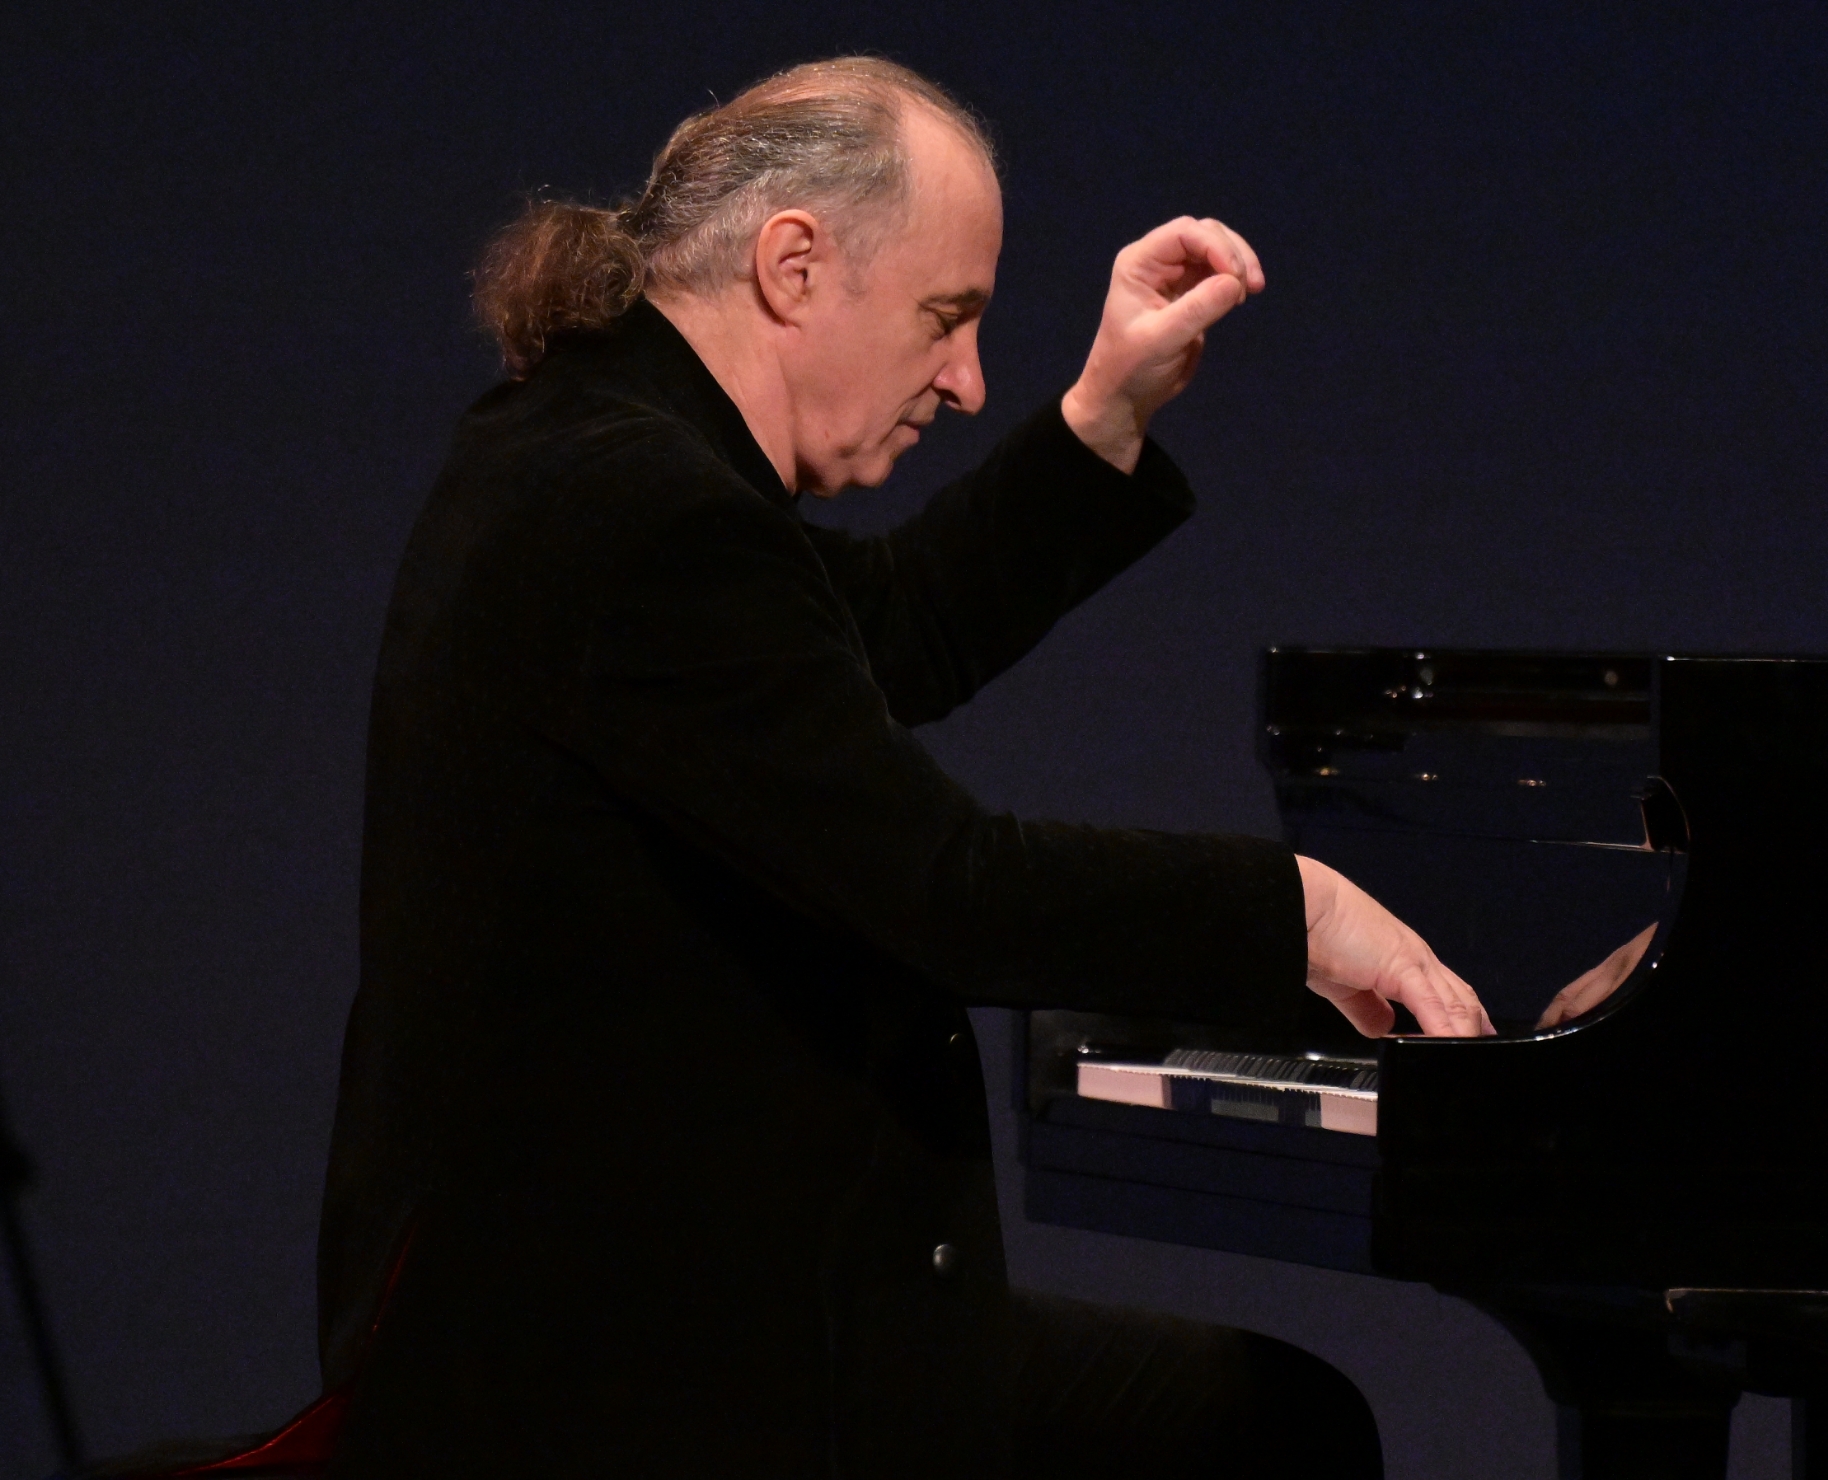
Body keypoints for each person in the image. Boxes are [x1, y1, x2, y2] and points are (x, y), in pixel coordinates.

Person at [318, 56, 1489, 1480]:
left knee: (1258, 1424)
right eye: (947, 318)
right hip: (615, 1368)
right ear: (793, 265)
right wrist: (1297, 909)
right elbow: (946, 888)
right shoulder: (639, 507)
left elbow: (884, 635)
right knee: (1268, 1437)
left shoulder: (591, 448)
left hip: (642, 1315)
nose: (968, 380)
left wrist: (1103, 417)